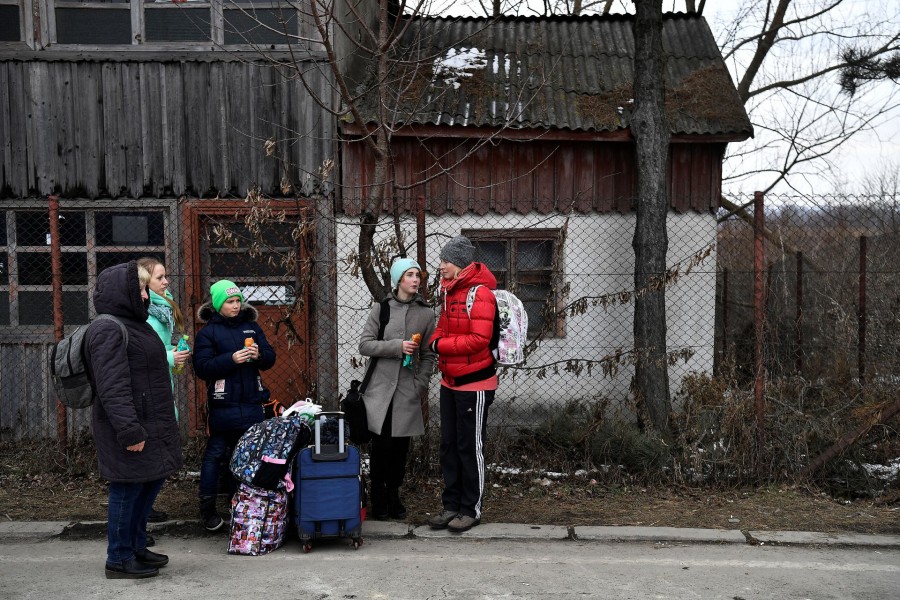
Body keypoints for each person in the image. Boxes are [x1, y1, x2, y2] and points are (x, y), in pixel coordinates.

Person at [84, 260, 183, 579]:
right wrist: (129, 431)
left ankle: (137, 546)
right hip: (130, 428)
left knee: (148, 485)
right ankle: (119, 558)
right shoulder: (108, 327)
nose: (146, 295)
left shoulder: (136, 324)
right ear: (125, 292)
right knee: (127, 490)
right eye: (141, 288)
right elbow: (112, 387)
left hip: (151, 423)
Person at [427, 235, 498, 533]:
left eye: (445, 261)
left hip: (475, 384)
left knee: (470, 446)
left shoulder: (481, 294)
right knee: (449, 446)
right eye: (441, 260)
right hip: (449, 381)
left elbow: (479, 340)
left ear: (459, 264)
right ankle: (451, 505)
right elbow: (441, 327)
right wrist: (435, 342)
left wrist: (439, 346)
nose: (440, 266)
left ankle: (471, 508)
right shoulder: (449, 292)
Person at [192, 280, 276, 532]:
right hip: (223, 405)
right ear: (218, 305)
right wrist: (231, 359)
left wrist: (259, 355)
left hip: (251, 403)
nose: (236, 305)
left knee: (248, 456)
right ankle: (207, 508)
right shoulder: (208, 332)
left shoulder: (251, 327)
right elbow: (202, 367)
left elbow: (270, 358)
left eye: (238, 300)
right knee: (216, 454)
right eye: (230, 302)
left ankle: (242, 505)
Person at [358, 258, 436, 520]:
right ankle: (378, 495)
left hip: (407, 390)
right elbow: (366, 345)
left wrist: (420, 384)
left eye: (418, 275)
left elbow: (427, 355)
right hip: (380, 391)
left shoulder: (426, 313)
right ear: (398, 280)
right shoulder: (381, 309)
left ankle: (394, 494)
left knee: (401, 448)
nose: (416, 280)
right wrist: (396, 346)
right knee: (382, 447)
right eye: (410, 275)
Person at [136, 257, 191, 526]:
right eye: (160, 278)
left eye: (165, 276)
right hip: (148, 393)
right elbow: (142, 355)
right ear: (144, 282)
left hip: (161, 385)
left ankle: (145, 509)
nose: (166, 281)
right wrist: (170, 356)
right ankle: (139, 519)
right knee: (151, 456)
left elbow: (159, 345)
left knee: (159, 455)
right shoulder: (143, 313)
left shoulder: (161, 306)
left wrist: (175, 350)